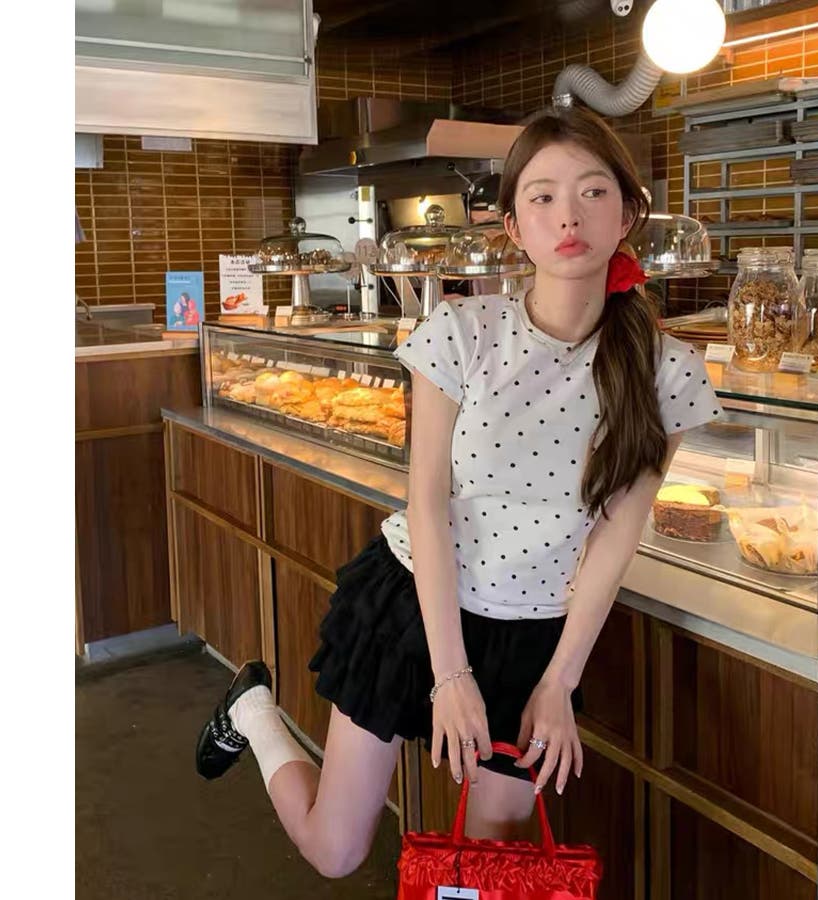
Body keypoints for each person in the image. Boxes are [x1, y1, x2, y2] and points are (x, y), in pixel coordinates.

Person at [194, 104, 723, 879]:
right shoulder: (463, 331)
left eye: (592, 192)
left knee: (492, 867)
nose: (568, 216)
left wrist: (559, 682)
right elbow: (428, 505)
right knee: (336, 850)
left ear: (628, 213)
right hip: (418, 603)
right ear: (512, 226)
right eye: (542, 196)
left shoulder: (666, 371)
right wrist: (449, 674)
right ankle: (254, 712)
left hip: (532, 639)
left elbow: (618, 534)